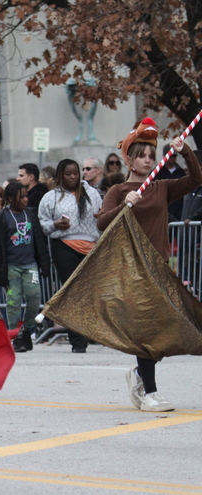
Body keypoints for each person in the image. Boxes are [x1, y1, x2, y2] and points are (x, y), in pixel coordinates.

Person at [97, 118, 202, 412]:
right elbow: (102, 223)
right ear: (129, 159)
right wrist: (124, 203)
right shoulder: (118, 191)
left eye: (151, 156)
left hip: (159, 266)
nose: (146, 160)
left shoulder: (161, 188)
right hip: (131, 269)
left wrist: (185, 151)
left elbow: (196, 180)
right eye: (141, 156)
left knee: (164, 328)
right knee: (146, 330)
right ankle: (150, 392)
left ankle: (140, 374)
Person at [38, 158, 102, 353]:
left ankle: (90, 332)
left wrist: (101, 218)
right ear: (60, 176)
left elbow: (103, 215)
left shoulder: (92, 193)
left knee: (87, 291)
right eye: (68, 174)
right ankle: (78, 340)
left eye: (76, 173)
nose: (73, 177)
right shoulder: (50, 197)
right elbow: (43, 223)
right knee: (72, 291)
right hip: (64, 245)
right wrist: (55, 224)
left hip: (90, 246)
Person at [0, 181, 50, 352]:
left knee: (34, 298)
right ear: (9, 198)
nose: (25, 200)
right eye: (20, 196)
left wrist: (44, 263)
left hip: (29, 264)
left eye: (26, 196)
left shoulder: (30, 214)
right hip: (11, 267)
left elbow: (39, 240)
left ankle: (26, 330)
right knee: (13, 302)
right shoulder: (1, 217)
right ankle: (15, 336)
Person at [154, 143, 187, 221]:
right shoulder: (156, 173)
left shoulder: (182, 172)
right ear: (164, 155)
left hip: (179, 210)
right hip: (162, 210)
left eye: (174, 156)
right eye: (170, 156)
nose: (172, 158)